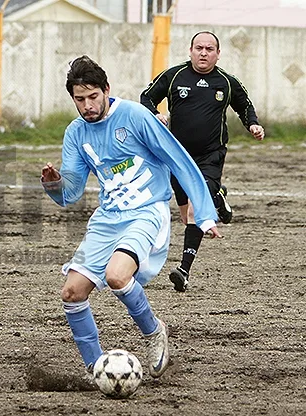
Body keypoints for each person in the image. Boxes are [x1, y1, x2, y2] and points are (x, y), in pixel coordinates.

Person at [40, 55, 221, 378]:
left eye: (93, 97)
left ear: (106, 90)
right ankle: (96, 369)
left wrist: (205, 214)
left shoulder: (135, 116)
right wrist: (54, 184)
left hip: (146, 212)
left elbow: (179, 160)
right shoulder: (76, 133)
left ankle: (154, 332)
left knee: (117, 275)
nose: (87, 106)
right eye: (79, 99)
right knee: (72, 292)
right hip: (108, 218)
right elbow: (71, 194)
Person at [140, 31, 264, 292]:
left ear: (218, 54)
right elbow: (146, 97)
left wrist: (252, 124)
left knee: (197, 210)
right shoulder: (174, 76)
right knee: (185, 216)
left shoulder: (227, 83)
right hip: (177, 155)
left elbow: (245, 106)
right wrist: (155, 114)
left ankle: (183, 270)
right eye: (199, 48)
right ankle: (219, 197)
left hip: (211, 155)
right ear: (190, 50)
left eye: (209, 49)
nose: (204, 53)